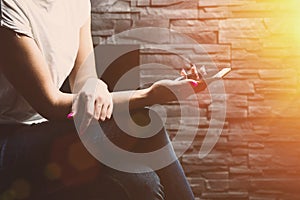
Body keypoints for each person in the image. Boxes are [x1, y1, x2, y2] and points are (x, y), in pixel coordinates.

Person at [0, 0, 209, 199]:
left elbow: (84, 83)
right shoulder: (8, 8)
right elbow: (51, 104)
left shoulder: (76, 4)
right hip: (8, 140)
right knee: (141, 119)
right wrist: (150, 95)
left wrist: (95, 85)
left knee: (144, 184)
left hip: (47, 130)